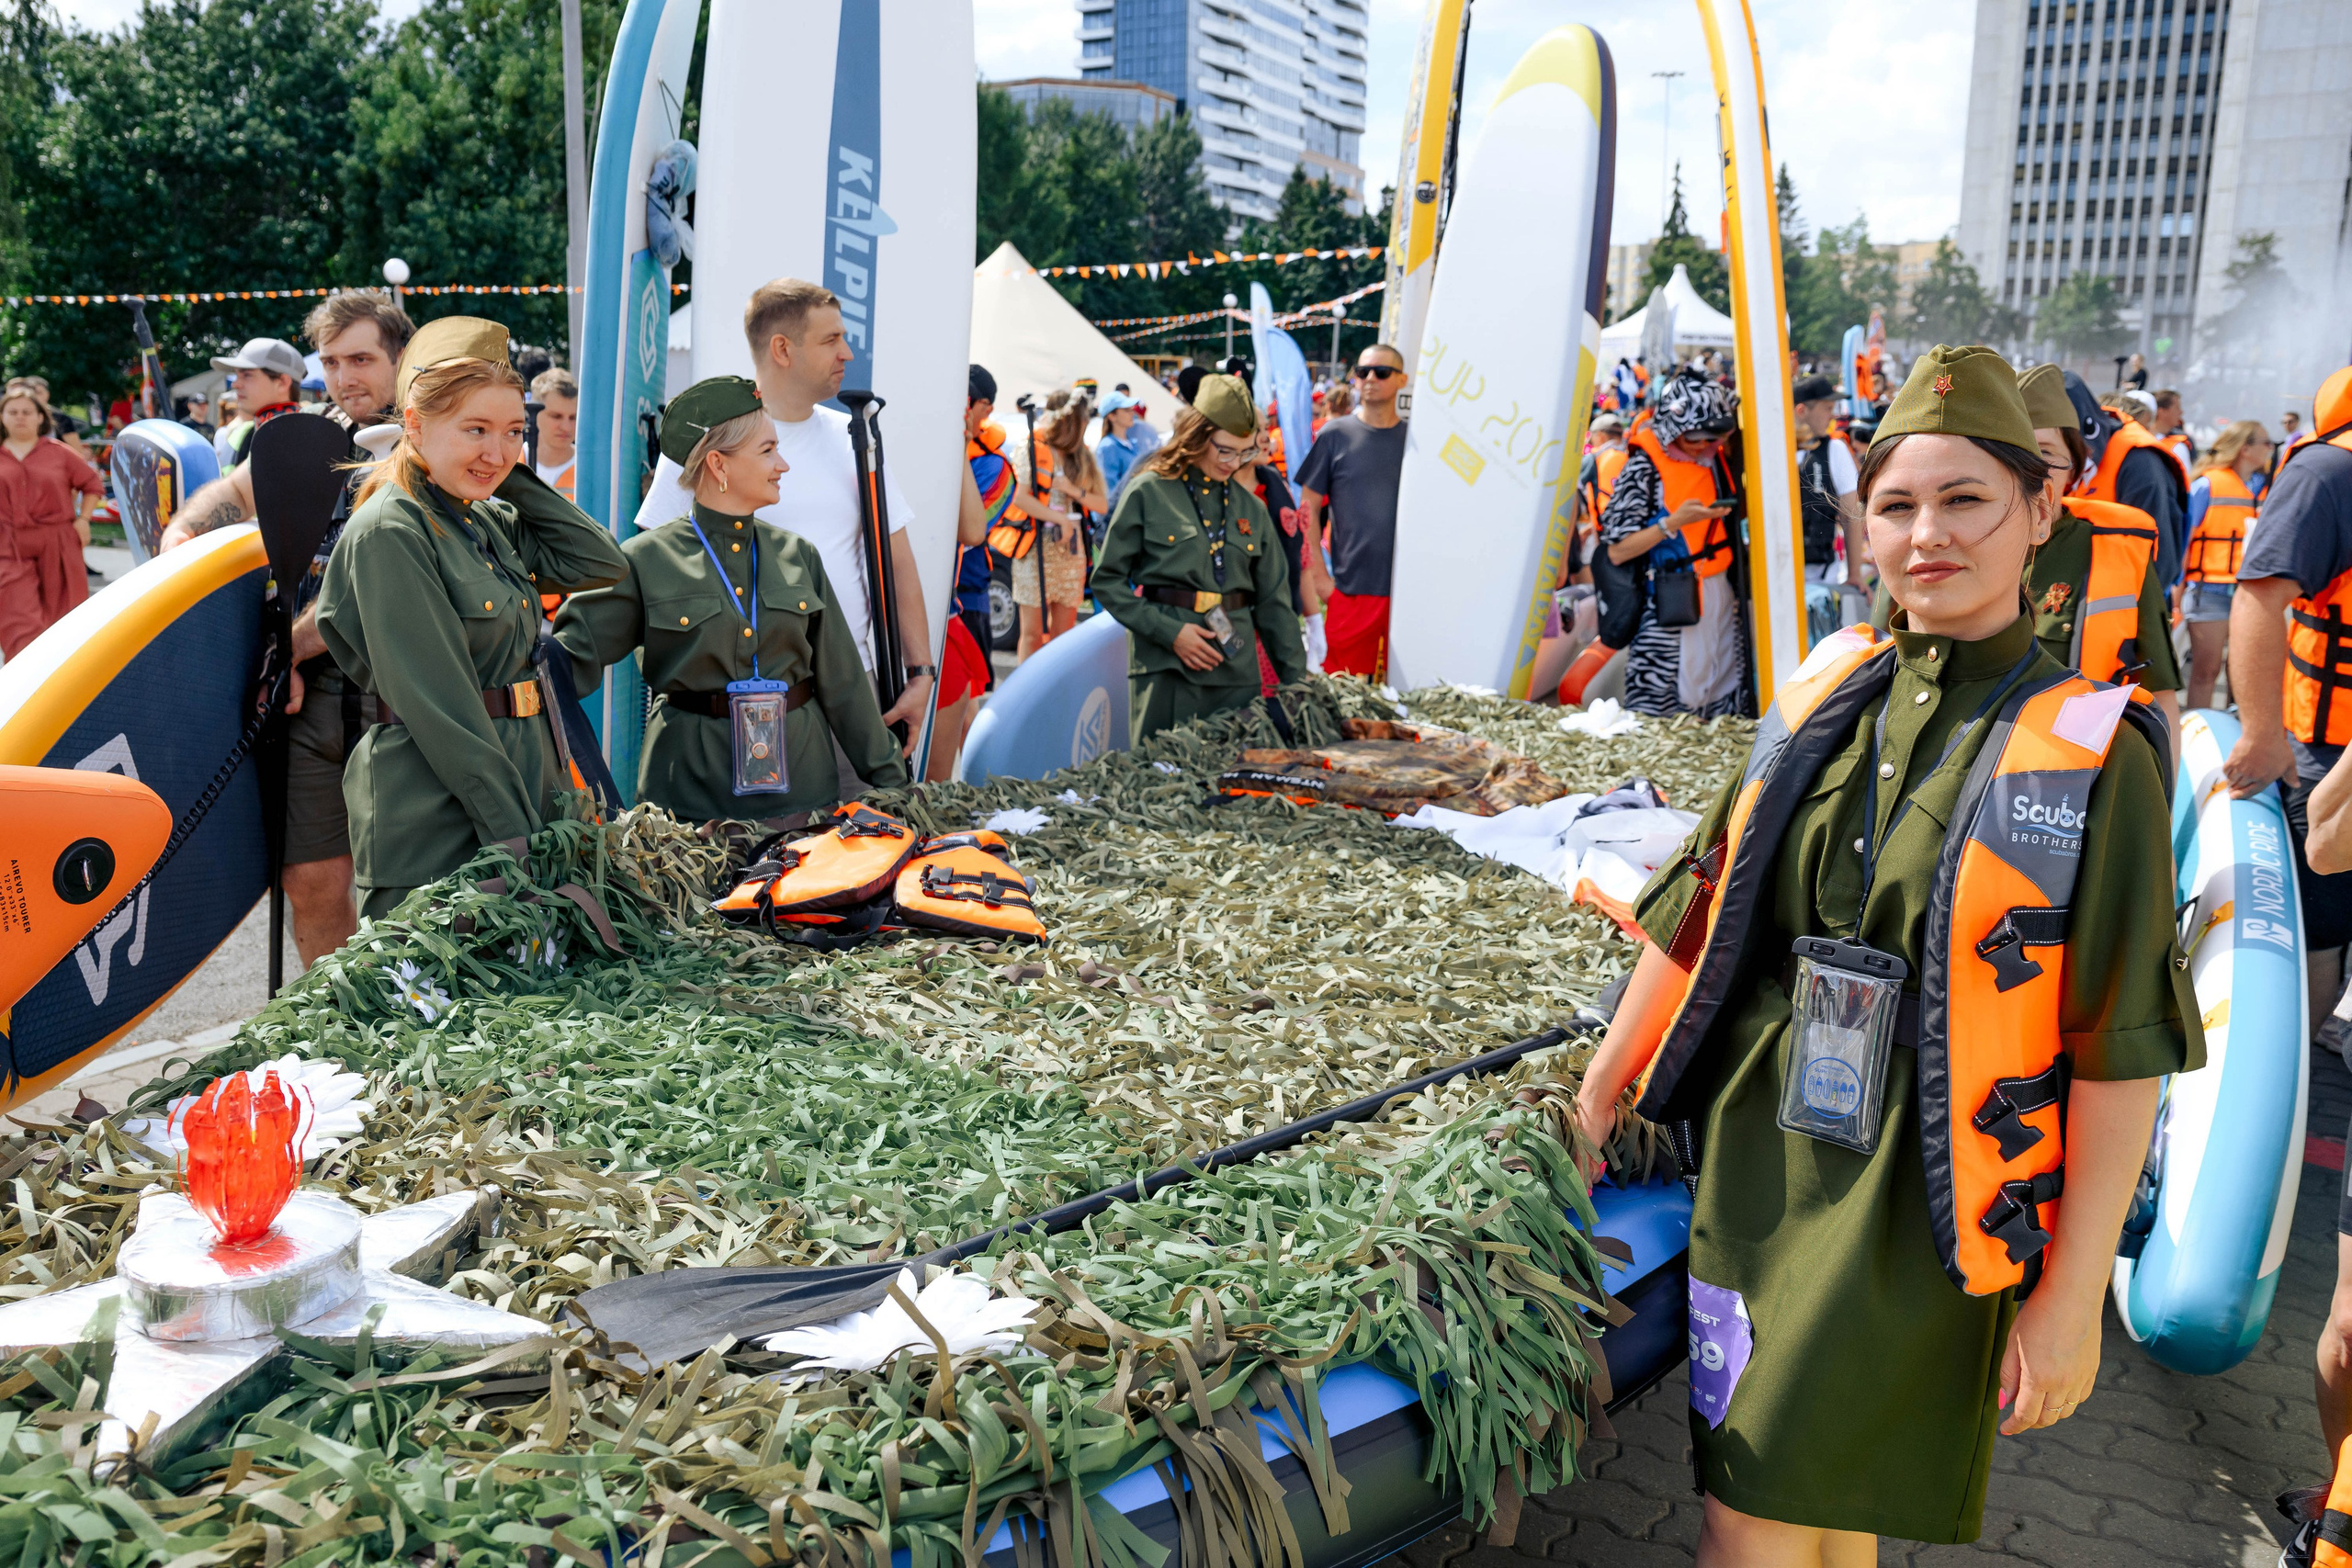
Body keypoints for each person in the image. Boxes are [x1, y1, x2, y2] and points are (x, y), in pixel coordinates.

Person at [1574, 344, 2192, 1561]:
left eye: (1967, 499)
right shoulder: (1820, 690)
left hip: (1927, 1200)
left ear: (2041, 512)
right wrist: (1593, 1107)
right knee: (1766, 1513)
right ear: (1862, 526)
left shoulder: (2094, 755)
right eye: (1897, 505)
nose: (1928, 535)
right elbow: (1695, 913)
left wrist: (2068, 1303)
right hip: (1762, 1171)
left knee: (1804, 1518)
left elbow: (2121, 1051)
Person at [317, 324, 627, 919]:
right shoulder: (393, 530)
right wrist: (519, 845)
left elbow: (599, 561)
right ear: (413, 425)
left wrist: (495, 465)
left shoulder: (479, 519)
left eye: (515, 431)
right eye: (474, 429)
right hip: (442, 819)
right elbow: (445, 711)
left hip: (520, 796)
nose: (498, 449)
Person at [153, 293, 416, 964]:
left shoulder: (433, 434)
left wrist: (285, 648)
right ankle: (338, 1030)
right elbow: (236, 492)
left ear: (400, 357)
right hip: (311, 698)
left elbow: (380, 588)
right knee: (311, 879)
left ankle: (417, 1045)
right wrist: (186, 529)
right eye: (330, 361)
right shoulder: (311, 431)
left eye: (361, 359)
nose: (344, 377)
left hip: (405, 694)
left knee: (413, 891)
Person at [553, 377, 904, 820]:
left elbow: (845, 685)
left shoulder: (799, 556)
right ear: (718, 465)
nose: (783, 465)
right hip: (688, 806)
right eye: (767, 451)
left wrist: (895, 787)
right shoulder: (645, 560)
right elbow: (561, 664)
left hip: (802, 799)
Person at [632, 278, 933, 757]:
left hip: (849, 689)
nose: (847, 354)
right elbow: (657, 564)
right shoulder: (706, 437)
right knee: (744, 834)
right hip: (731, 702)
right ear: (782, 349)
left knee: (857, 827)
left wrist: (920, 673)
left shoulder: (855, 438)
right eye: (831, 339)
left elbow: (895, 560)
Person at [2222, 365, 2352, 1033]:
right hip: (2332, 752)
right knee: (2322, 924)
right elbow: (2259, 595)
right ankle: (2305, 1070)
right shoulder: (2330, 473)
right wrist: (2263, 732)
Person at [1090, 374, 1306, 740]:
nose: (1233, 463)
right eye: (1225, 450)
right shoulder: (1150, 491)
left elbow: (1274, 605)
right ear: (1197, 435)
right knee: (1161, 785)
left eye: (1245, 452)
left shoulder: (1251, 510)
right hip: (1166, 670)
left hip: (1236, 674)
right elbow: (1107, 581)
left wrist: (1300, 688)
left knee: (1234, 789)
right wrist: (1170, 633)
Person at [1600, 369, 1744, 717]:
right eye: (1699, 439)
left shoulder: (1713, 460)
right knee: (1662, 703)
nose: (1710, 448)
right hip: (1670, 600)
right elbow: (1617, 551)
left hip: (1719, 596)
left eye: (1717, 438)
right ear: (1674, 429)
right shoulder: (1642, 468)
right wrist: (1673, 523)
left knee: (1722, 687)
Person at [1295, 343, 1408, 679]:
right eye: (1362, 372)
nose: (1370, 378)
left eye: (1381, 372)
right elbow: (1308, 508)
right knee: (1343, 701)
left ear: (1402, 380)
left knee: (1406, 703)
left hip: (1408, 597)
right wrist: (1317, 575)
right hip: (1351, 592)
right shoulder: (1335, 434)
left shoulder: (1417, 439)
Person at [0, 381, 104, 658]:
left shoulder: (59, 452)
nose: (20, 417)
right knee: (18, 622)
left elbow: (92, 484)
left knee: (63, 621)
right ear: (3, 417)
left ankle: (62, 694)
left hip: (57, 542)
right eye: (13, 411)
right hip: (8, 547)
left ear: (40, 417)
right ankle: (21, 693)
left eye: (26, 411)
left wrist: (83, 519)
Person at [2181, 421, 2273, 710]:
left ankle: (2237, 736)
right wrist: (2176, 590)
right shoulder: (2206, 484)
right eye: (2266, 443)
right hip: (2209, 591)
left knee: (2245, 674)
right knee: (2206, 671)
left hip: (2251, 592)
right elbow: (2185, 542)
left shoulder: (2264, 487)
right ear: (2245, 449)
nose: (2271, 449)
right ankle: (2198, 733)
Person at [1013, 397, 1102, 660]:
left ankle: (1055, 696)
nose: (1086, 424)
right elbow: (1020, 497)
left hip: (1071, 552)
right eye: (1082, 420)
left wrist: (1073, 491)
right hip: (1034, 549)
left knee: (1062, 636)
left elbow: (1102, 503)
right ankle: (1027, 697)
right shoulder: (1031, 447)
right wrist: (1060, 518)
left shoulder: (1082, 454)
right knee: (1032, 634)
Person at [2077, 376, 2188, 585]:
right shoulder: (2091, 464)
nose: (2145, 434)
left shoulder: (2140, 463)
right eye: (2144, 426)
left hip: (2116, 590)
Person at [1792, 374, 1866, 584]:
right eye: (1827, 408)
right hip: (1776, 575)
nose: (1832, 416)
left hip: (1823, 576)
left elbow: (1851, 516)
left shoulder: (1835, 449)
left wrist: (1854, 575)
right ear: (1801, 411)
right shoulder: (1772, 450)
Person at [209, 338, 305, 468]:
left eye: (247, 375)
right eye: (237, 375)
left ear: (282, 382)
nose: (235, 384)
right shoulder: (243, 434)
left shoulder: (306, 439)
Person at [529, 367, 579, 500]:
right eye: (556, 416)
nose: (566, 427)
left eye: (573, 417)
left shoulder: (588, 468)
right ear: (535, 413)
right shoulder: (510, 463)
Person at [1096, 390, 1151, 505]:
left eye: (1132, 409)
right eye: (1127, 410)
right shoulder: (1108, 447)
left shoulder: (1132, 443)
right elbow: (1111, 493)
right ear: (1112, 416)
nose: (1133, 413)